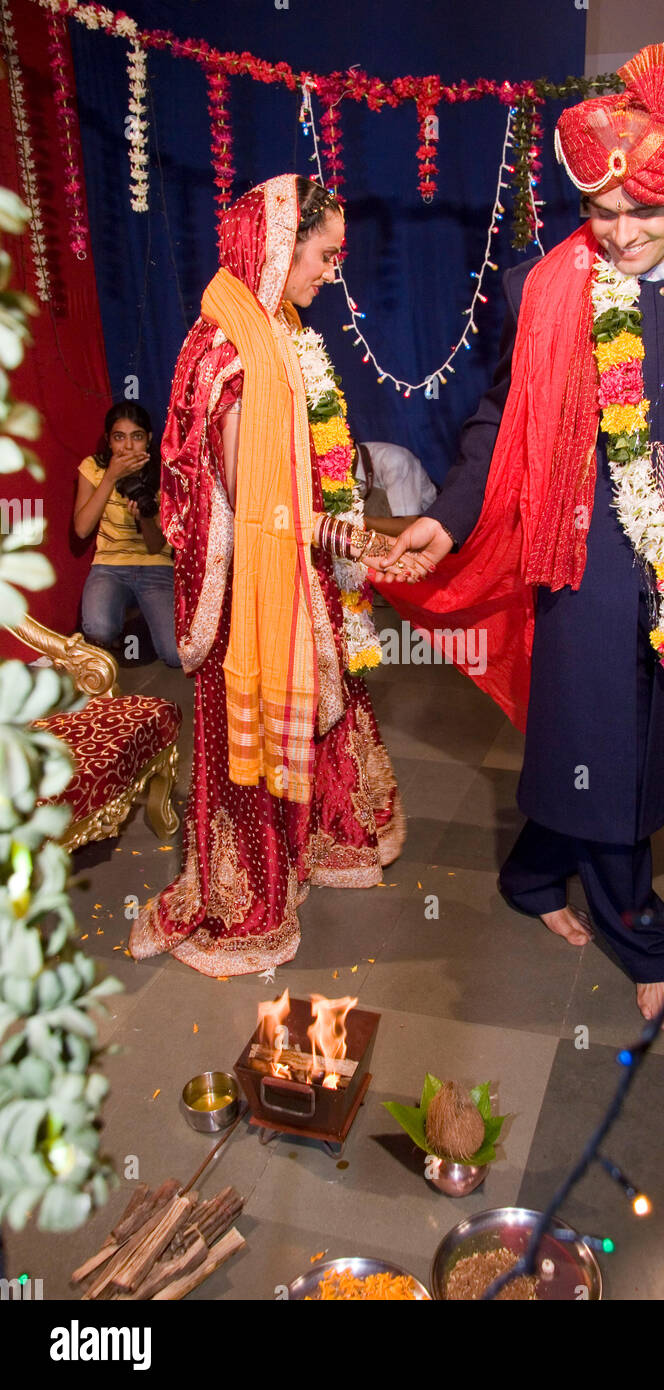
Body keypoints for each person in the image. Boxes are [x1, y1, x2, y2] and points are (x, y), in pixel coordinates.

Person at [372, 43, 664, 1033]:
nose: (612, 237)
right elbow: (498, 420)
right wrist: (441, 519)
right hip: (583, 555)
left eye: (637, 216)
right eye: (597, 213)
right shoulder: (540, 285)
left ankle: (532, 873)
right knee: (602, 744)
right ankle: (643, 943)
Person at [129, 175, 409, 977]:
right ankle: (242, 902)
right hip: (247, 600)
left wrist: (345, 539)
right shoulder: (234, 361)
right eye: (323, 256)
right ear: (278, 247)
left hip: (294, 578)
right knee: (249, 751)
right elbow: (262, 515)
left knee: (323, 711)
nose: (330, 273)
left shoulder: (273, 330)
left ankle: (309, 851)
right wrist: (346, 535)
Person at [74, 403, 180, 668]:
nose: (128, 446)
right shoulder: (93, 468)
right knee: (98, 630)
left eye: (137, 436)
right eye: (119, 437)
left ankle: (144, 613)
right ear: (109, 441)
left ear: (149, 439)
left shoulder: (164, 473)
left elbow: (157, 548)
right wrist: (110, 477)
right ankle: (125, 609)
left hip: (155, 567)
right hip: (109, 567)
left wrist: (145, 518)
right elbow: (82, 528)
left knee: (174, 655)